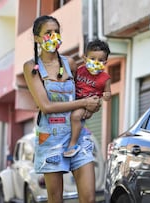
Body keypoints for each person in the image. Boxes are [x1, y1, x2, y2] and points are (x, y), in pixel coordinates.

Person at [23, 15, 101, 203]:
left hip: (78, 134)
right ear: (37, 38)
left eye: (56, 32)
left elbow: (82, 93)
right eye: (48, 33)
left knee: (89, 198)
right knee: (56, 198)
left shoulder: (70, 64)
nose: (53, 36)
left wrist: (91, 105)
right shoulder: (32, 67)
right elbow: (46, 106)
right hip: (50, 137)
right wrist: (83, 103)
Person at [63, 39, 111, 157]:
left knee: (75, 116)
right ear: (85, 59)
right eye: (93, 59)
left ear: (105, 62)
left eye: (100, 60)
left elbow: (107, 95)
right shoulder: (79, 70)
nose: (96, 62)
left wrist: (106, 96)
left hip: (86, 105)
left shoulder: (105, 78)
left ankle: (72, 144)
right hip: (75, 101)